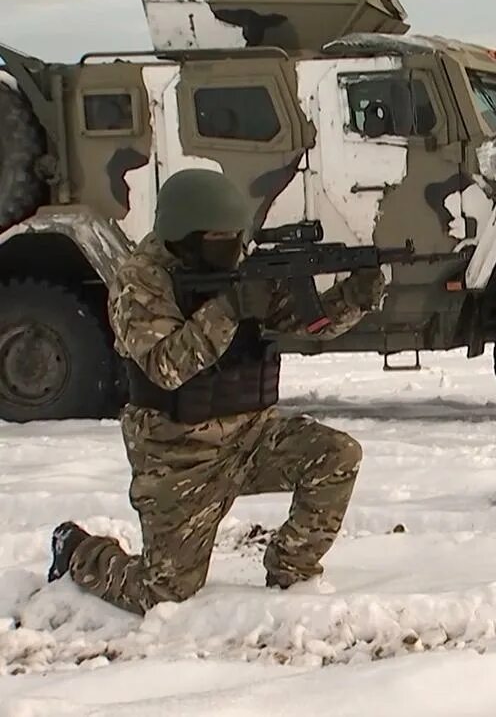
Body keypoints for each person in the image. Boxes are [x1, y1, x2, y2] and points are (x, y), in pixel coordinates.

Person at [46, 168, 387, 615]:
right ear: (183, 237)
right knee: (164, 592)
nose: (232, 248)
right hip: (179, 454)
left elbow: (303, 322)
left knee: (337, 455)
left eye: (235, 237)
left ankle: (290, 571)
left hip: (251, 434)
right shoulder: (139, 283)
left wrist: (354, 297)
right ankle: (76, 549)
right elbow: (167, 367)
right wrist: (230, 308)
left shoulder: (235, 265)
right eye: (218, 239)